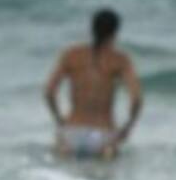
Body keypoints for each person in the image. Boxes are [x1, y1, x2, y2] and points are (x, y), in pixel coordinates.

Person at [44, 8, 144, 159]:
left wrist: (59, 120)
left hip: (72, 132)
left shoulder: (71, 54)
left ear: (92, 29)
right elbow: (136, 98)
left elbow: (49, 92)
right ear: (115, 32)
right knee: (104, 179)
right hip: (103, 135)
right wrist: (127, 127)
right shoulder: (120, 60)